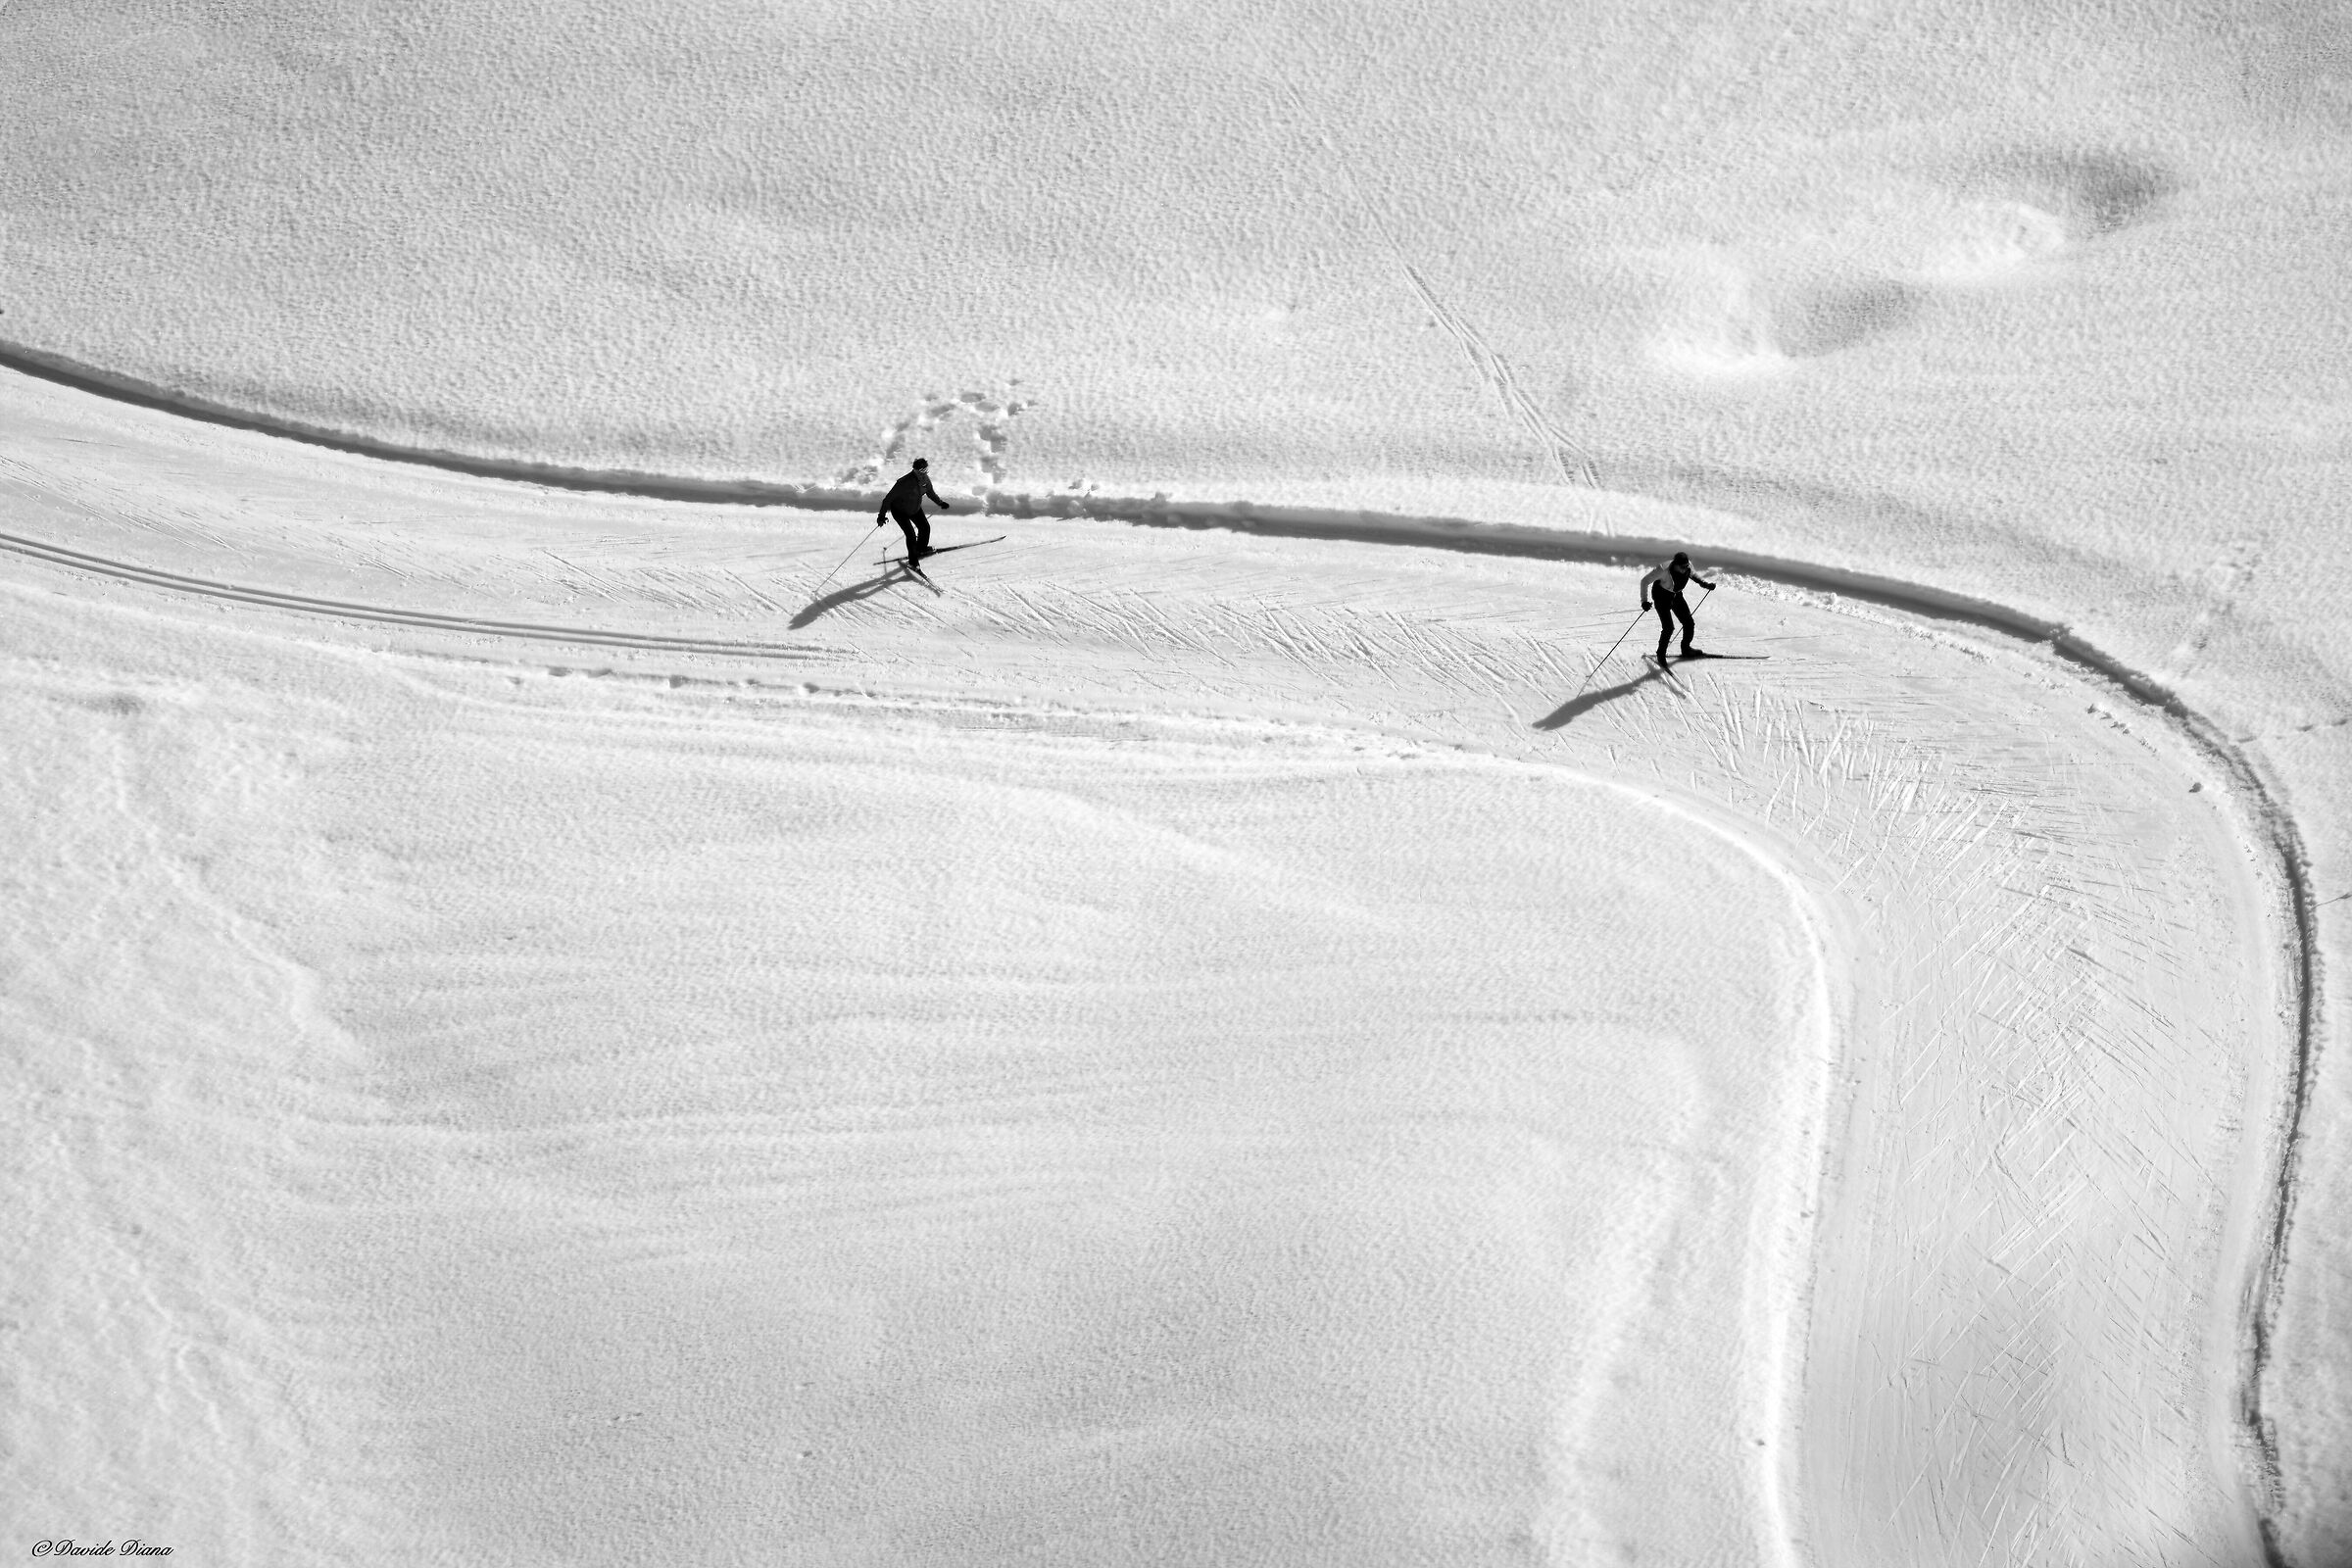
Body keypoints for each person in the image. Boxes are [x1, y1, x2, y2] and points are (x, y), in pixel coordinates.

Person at [1639, 551, 1717, 663]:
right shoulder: (1663, 569)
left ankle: (1686, 649)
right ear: (1675, 565)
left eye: (1686, 566)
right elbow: (1644, 581)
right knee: (1668, 627)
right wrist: (1644, 601)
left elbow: (1693, 575)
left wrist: (1705, 584)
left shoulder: (1687, 566)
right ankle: (1661, 654)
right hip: (1661, 597)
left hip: (1676, 595)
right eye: (1682, 567)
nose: (1685, 568)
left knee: (1689, 623)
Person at [877, 458, 951, 563]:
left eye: (925, 470)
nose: (923, 473)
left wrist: (940, 503)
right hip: (900, 511)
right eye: (921, 471)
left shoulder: (925, 480)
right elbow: (888, 499)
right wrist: (881, 516)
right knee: (911, 535)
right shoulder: (904, 482)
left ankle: (921, 548)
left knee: (925, 528)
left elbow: (930, 493)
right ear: (915, 470)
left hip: (914, 508)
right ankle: (913, 562)